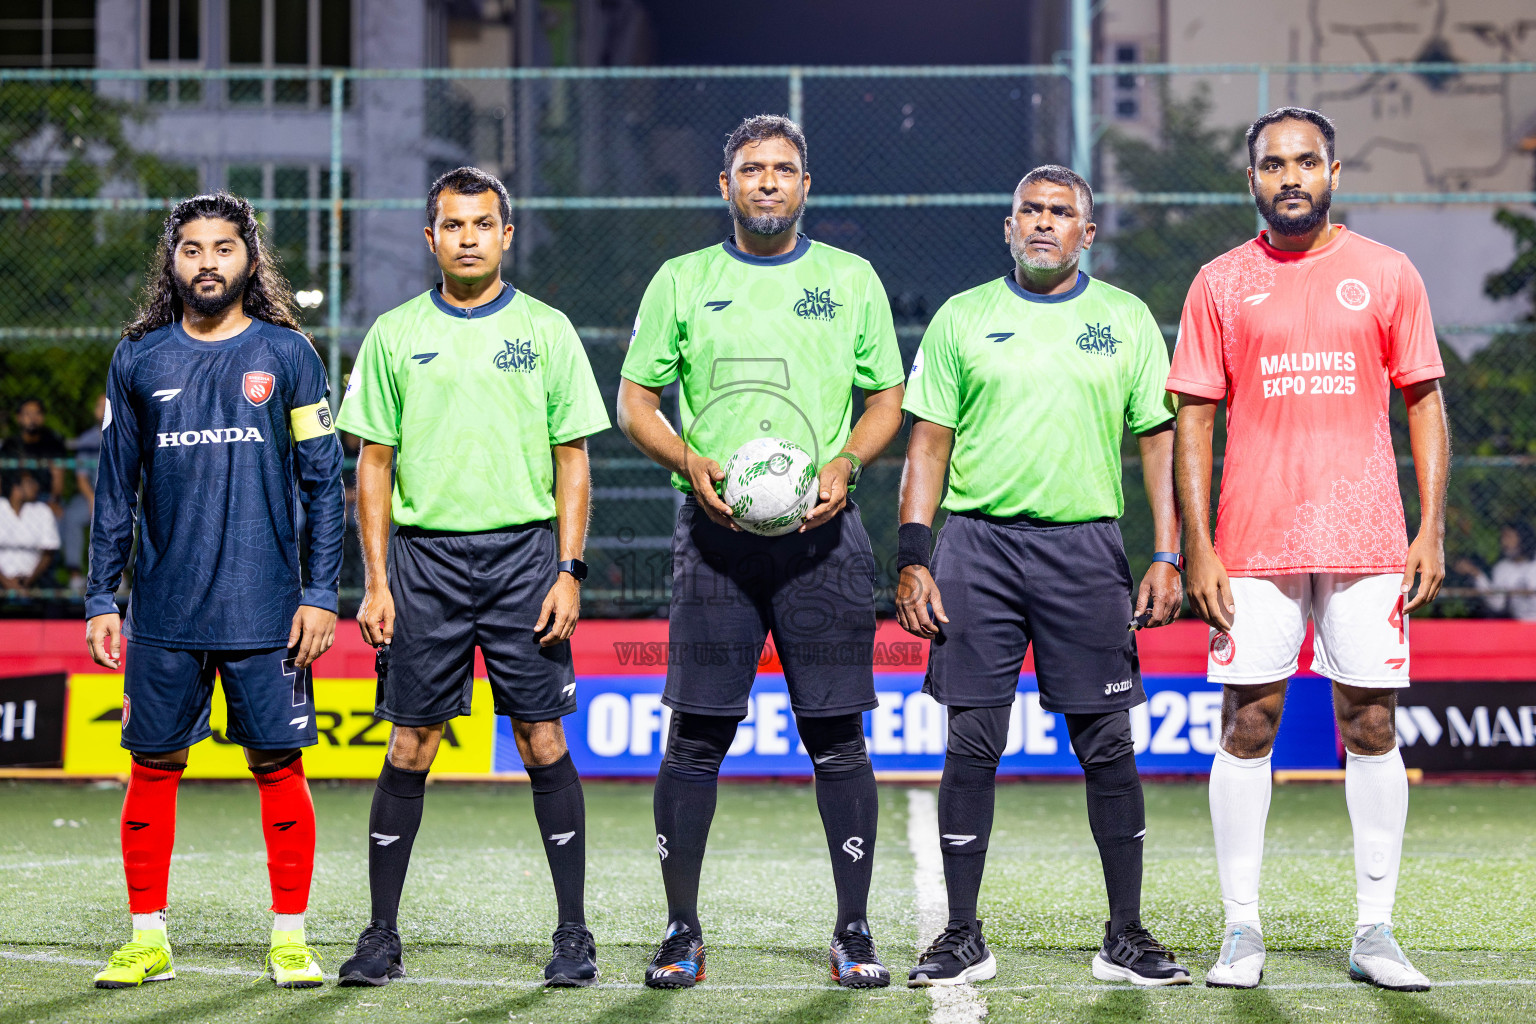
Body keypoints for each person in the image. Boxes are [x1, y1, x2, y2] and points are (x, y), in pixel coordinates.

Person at [617, 114, 906, 990]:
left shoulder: (850, 279)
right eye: (752, 169)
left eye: (783, 169)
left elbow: (887, 399)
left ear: (805, 185)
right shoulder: (683, 280)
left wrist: (847, 461)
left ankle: (853, 931)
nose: (768, 181)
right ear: (726, 185)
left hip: (825, 546)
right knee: (695, 739)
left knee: (838, 740)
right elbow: (634, 403)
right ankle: (681, 931)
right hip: (715, 546)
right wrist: (688, 460)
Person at [1169, 106, 1449, 992]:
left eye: (1305, 161)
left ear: (1333, 171)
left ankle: (1375, 931)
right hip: (1252, 542)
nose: (1289, 176)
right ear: (1251, 178)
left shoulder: (1388, 273)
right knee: (1248, 723)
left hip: (1368, 540)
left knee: (1371, 724)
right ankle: (1240, 930)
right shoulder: (1220, 282)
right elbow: (1193, 419)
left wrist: (1431, 525)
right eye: (1272, 164)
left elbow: (1424, 401)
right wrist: (1196, 545)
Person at [896, 165, 1190, 988]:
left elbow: (1158, 443)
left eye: (1061, 213)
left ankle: (1125, 934)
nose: (1043, 222)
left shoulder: (1125, 319)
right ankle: (961, 934)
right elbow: (927, 446)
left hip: (1086, 550)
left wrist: (1167, 552)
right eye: (1029, 210)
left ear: (1086, 234)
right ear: (1008, 226)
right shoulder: (962, 317)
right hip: (977, 548)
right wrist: (914, 556)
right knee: (972, 741)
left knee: (1108, 743)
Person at [335, 166, 610, 989]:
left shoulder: (547, 330)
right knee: (411, 743)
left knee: (542, 739)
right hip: (424, 565)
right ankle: (381, 936)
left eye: (482, 224)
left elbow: (573, 458)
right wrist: (376, 581)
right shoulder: (393, 334)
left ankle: (574, 935)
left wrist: (569, 570)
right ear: (432, 238)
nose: (467, 238)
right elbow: (373, 463)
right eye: (452, 225)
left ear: (505, 235)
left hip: (525, 560)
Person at [84, 192, 345, 989]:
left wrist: (321, 593)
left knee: (279, 766)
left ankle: (290, 939)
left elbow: (324, 486)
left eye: (223, 248)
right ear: (172, 262)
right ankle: (147, 939)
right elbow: (114, 487)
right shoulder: (138, 358)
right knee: (152, 766)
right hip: (164, 611)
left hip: (267, 611)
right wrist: (101, 597)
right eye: (192, 249)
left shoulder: (289, 355)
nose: (207, 263)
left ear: (249, 259)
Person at [61, 393, 107, 591]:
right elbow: (81, 478)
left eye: (107, 406)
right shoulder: (86, 439)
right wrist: (92, 499)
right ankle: (75, 574)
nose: (103, 411)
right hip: (90, 494)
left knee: (126, 517)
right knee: (71, 516)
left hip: (119, 496)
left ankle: (120, 574)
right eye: (99, 406)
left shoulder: (128, 434)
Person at [1, 398, 68, 517]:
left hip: (45, 497)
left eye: (37, 413)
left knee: (58, 514)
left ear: (43, 417)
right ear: (18, 417)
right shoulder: (10, 445)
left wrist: (53, 501)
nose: (32, 418)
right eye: (27, 413)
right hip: (12, 495)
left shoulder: (53, 443)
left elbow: (58, 478)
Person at [1455, 523, 1536, 621]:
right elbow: (1497, 604)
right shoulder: (1502, 568)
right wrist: (1476, 574)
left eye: (1509, 537)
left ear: (1522, 537)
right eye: (1503, 537)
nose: (1504, 542)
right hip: (1520, 624)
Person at [0, 469, 61, 595]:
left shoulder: (43, 511)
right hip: (2, 580)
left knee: (59, 598)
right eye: (30, 482)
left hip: (35, 579)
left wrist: (27, 582)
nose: (36, 486)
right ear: (16, 487)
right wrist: (7, 582)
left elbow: (48, 552)